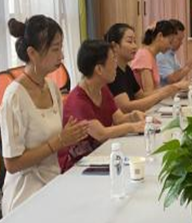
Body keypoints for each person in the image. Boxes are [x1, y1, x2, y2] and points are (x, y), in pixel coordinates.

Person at [0, 16, 88, 215]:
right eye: (55, 49)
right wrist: (59, 141)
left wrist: (71, 137)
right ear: (32, 53)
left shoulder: (52, 87)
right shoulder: (14, 97)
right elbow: (12, 164)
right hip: (25, 194)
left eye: (61, 48)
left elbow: (57, 141)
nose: (62, 55)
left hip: (53, 182)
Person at [58, 40, 145, 171]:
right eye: (113, 60)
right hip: (76, 166)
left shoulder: (102, 89)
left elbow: (118, 119)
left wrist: (134, 116)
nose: (116, 64)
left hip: (99, 155)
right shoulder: (78, 101)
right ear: (99, 69)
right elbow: (101, 133)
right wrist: (132, 126)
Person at [105, 23, 187, 113]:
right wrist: (164, 92)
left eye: (135, 42)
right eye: (129, 42)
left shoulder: (127, 69)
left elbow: (141, 96)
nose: (135, 46)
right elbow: (125, 107)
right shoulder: (113, 72)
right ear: (114, 46)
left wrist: (170, 89)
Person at [131, 20, 176, 94]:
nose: (170, 47)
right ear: (160, 36)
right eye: (170, 42)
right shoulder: (144, 56)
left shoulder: (151, 55)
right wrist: (174, 87)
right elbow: (149, 92)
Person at [156, 19, 192, 85]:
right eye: (179, 39)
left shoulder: (171, 53)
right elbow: (172, 79)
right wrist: (188, 66)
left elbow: (178, 75)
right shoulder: (160, 55)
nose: (181, 43)